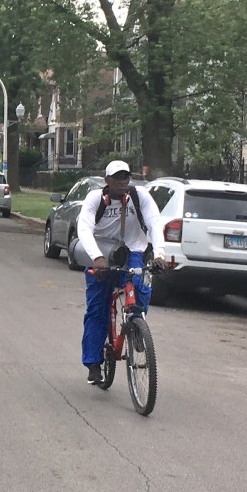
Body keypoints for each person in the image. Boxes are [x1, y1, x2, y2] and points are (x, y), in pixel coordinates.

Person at [76, 159, 166, 385]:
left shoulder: (140, 196)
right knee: (97, 309)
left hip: (132, 250)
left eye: (125, 177)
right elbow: (84, 228)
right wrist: (96, 257)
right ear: (107, 180)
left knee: (141, 287)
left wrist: (159, 254)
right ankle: (94, 363)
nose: (122, 182)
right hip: (102, 252)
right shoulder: (95, 199)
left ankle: (136, 327)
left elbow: (155, 223)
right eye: (117, 178)